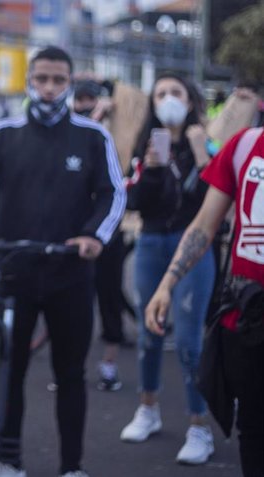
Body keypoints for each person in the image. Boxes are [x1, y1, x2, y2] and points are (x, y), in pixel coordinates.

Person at [0, 46, 126, 477]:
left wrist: (93, 236)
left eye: (58, 80)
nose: (49, 87)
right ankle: (7, 457)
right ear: (29, 80)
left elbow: (113, 193)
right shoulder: (2, 132)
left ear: (69, 83)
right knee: (9, 370)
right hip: (14, 268)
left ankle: (72, 466)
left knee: (71, 373)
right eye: (42, 79)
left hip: (71, 271)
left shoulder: (92, 136)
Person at [144, 126, 264, 476]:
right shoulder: (244, 145)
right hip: (247, 319)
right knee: (254, 430)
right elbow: (203, 226)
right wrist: (168, 283)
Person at [119, 73, 216, 465]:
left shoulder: (204, 144)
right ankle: (148, 408)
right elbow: (136, 202)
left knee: (191, 339)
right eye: (161, 94)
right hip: (152, 242)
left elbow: (217, 196)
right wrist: (153, 168)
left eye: (175, 92)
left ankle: (200, 426)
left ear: (190, 100)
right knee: (148, 331)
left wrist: (203, 153)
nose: (168, 100)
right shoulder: (149, 147)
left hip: (193, 246)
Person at [73, 78, 130, 392]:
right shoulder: (73, 132)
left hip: (109, 233)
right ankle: (73, 365)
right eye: (80, 99)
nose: (85, 105)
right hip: (74, 231)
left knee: (109, 299)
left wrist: (109, 93)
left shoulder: (122, 131)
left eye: (90, 99)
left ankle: (109, 365)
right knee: (75, 304)